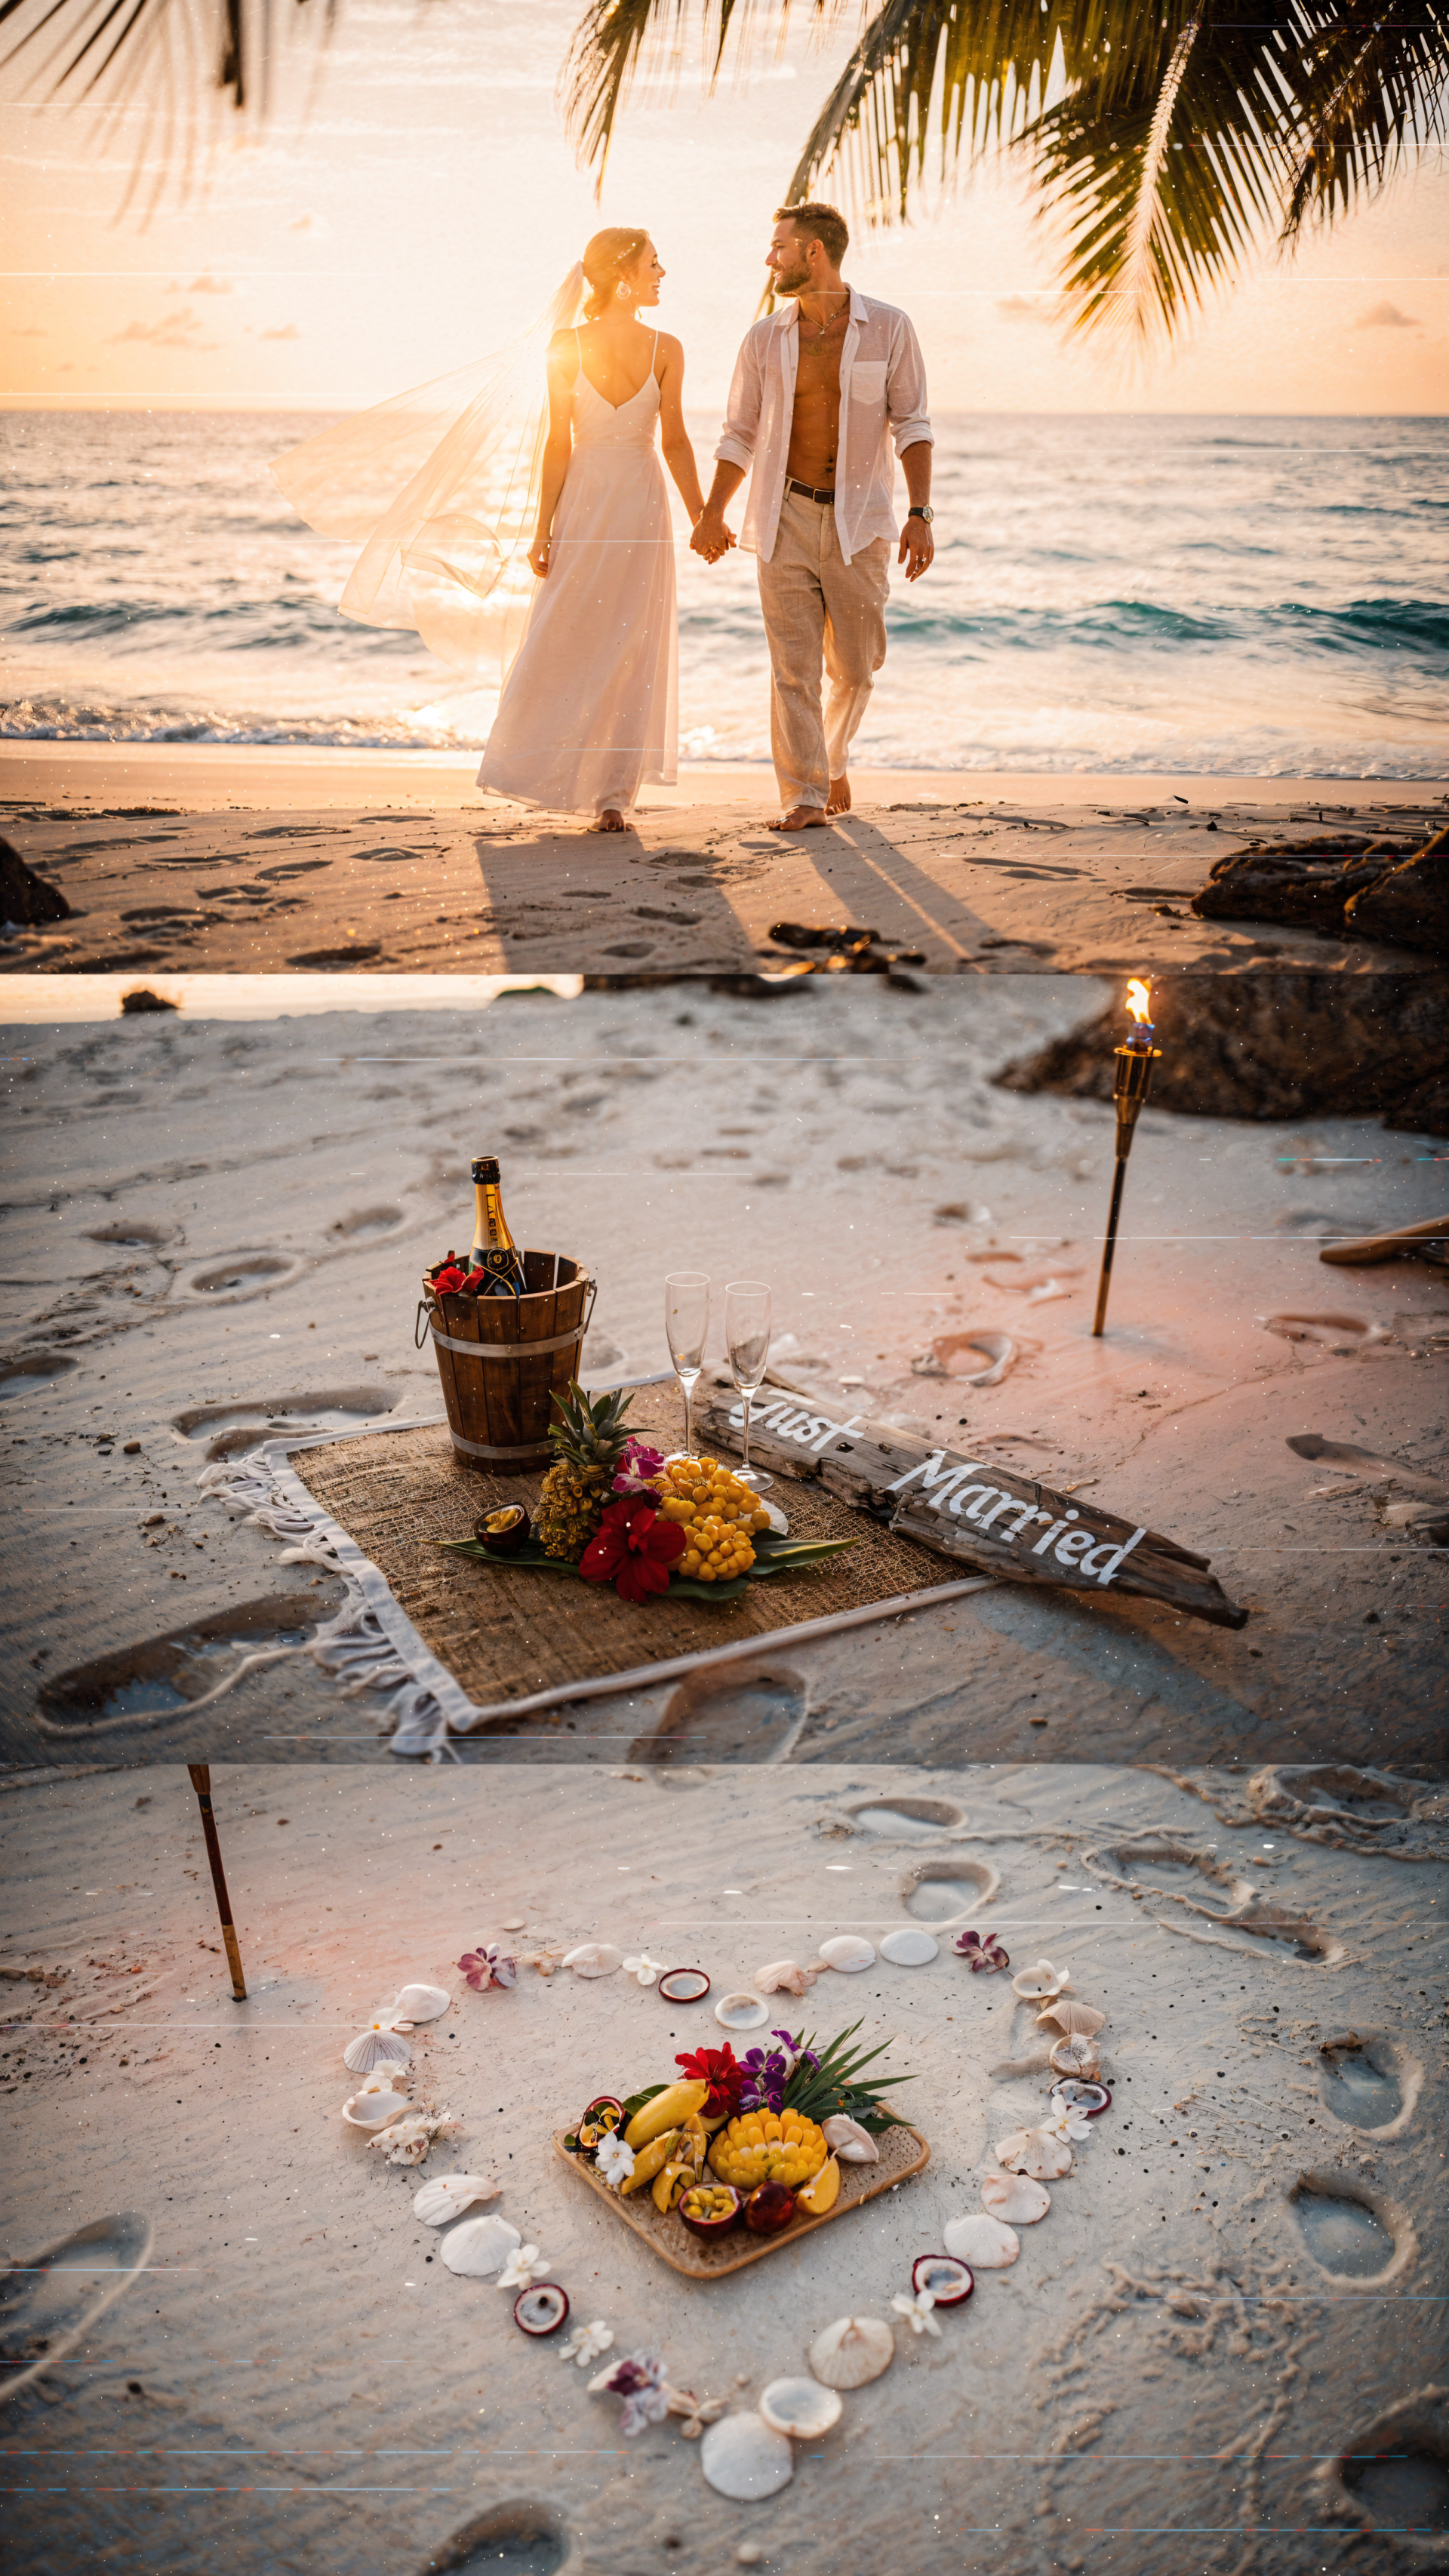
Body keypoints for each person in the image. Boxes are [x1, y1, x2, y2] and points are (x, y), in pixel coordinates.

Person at [691, 202, 934, 831]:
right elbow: (738, 432)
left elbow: (912, 424)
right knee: (792, 669)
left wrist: (920, 513)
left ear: (813, 253)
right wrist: (712, 512)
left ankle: (831, 753)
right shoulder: (764, 339)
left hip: (861, 521)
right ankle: (804, 794)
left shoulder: (889, 328)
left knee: (856, 667)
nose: (770, 259)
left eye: (779, 247)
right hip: (785, 514)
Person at [478, 229, 724, 833]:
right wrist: (542, 531)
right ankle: (545, 771)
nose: (662, 272)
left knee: (630, 641)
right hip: (601, 503)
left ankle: (614, 794)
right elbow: (556, 442)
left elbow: (675, 440)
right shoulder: (567, 346)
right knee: (569, 632)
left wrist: (702, 517)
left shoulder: (668, 346)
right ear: (622, 274)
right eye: (653, 263)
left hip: (633, 504)